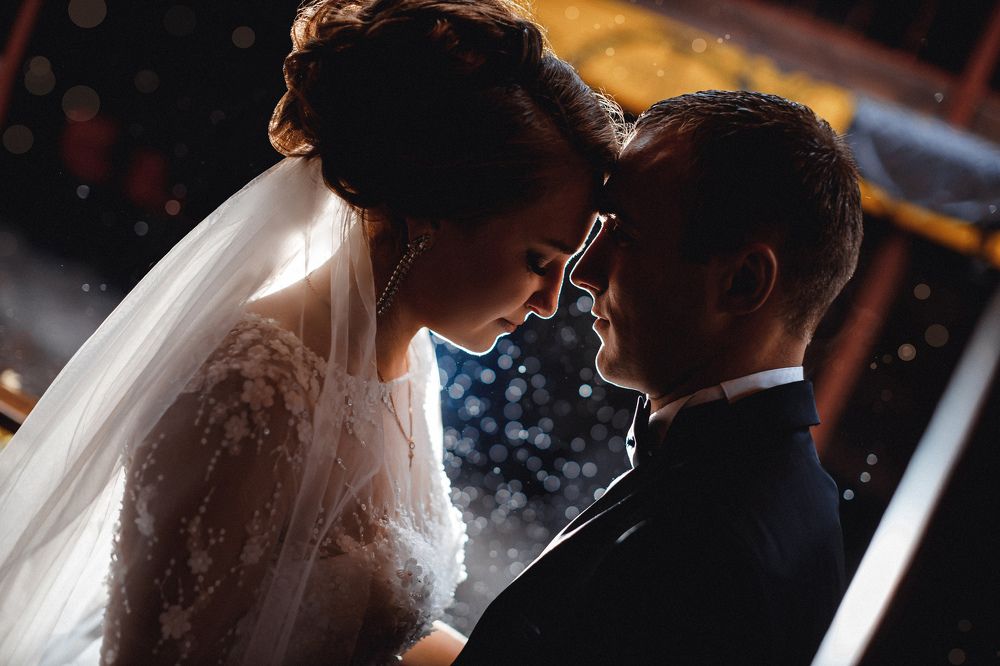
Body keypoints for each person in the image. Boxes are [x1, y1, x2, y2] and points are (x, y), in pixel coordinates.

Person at [0, 1, 621, 663]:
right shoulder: (249, 388)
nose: (549, 303)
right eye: (539, 261)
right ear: (433, 212)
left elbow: (369, 624)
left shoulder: (405, 360)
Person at [455, 90, 863, 665]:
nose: (584, 271)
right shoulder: (774, 492)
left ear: (743, 281)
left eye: (624, 233)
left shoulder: (712, 553)